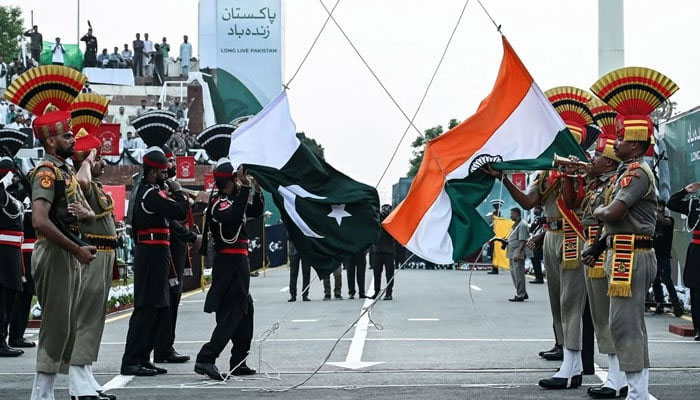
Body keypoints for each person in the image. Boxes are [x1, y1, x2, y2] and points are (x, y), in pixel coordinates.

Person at [483, 87, 596, 385]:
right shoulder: (546, 173)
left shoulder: (584, 170)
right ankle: (566, 356)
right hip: (552, 236)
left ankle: (574, 367)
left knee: (572, 302)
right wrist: (505, 178)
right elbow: (529, 202)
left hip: (573, 236)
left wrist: (572, 171)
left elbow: (578, 202)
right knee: (557, 301)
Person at [586, 66, 678, 398]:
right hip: (621, 248)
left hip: (632, 252)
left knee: (627, 325)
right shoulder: (628, 171)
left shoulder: (636, 173)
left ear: (636, 146)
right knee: (622, 323)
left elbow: (612, 212)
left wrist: (598, 212)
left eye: (622, 138)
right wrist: (598, 247)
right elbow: (614, 221)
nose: (617, 143)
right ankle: (633, 388)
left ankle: (639, 392)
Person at [27, 104, 98, 399]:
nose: (72, 140)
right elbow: (39, 220)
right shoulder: (46, 172)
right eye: (66, 136)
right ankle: (40, 395)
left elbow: (74, 212)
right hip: (55, 252)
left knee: (67, 326)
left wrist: (84, 216)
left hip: (67, 252)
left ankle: (55, 391)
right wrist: (77, 248)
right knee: (56, 325)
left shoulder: (64, 170)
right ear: (51, 141)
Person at [193, 126, 263, 380]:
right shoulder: (219, 203)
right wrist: (244, 190)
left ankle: (238, 360)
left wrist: (256, 187)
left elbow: (253, 212)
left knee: (246, 311)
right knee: (234, 313)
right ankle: (206, 357)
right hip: (230, 262)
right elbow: (233, 217)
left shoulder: (235, 199)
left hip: (238, 262)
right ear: (228, 181)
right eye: (236, 179)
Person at [564, 120, 627, 398]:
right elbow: (572, 205)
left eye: (600, 156)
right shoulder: (596, 185)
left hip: (603, 250)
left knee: (608, 316)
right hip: (593, 249)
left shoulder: (613, 184)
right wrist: (569, 175)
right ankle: (616, 376)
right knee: (602, 316)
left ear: (610, 163)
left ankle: (618, 377)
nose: (594, 158)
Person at [120, 146, 188, 376]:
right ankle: (131, 359)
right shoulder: (149, 193)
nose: (166, 177)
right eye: (162, 173)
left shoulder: (150, 190)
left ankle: (143, 356)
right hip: (150, 253)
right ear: (151, 173)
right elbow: (179, 211)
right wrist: (178, 191)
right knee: (147, 307)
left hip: (158, 252)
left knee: (159, 306)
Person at [71, 129, 119, 399]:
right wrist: (87, 161)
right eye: (98, 159)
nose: (102, 163)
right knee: (85, 318)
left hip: (105, 255)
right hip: (93, 255)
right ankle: (78, 384)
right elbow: (81, 181)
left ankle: (85, 375)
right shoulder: (83, 180)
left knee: (95, 319)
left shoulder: (98, 187)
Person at [154, 146, 200, 364]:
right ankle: (162, 347)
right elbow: (172, 219)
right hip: (167, 247)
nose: (172, 166)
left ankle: (166, 345)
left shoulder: (170, 187)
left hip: (176, 247)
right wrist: (190, 236)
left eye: (173, 161)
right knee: (167, 298)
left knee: (174, 297)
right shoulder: (161, 190)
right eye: (168, 162)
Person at [667, 182, 700, 340]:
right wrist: (685, 191)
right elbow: (672, 203)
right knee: (696, 290)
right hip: (697, 251)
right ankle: (699, 327)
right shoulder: (695, 203)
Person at [7, 173, 36, 350]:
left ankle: (18, 334)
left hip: (30, 250)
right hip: (19, 249)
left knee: (26, 295)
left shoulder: (30, 194)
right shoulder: (11, 195)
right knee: (18, 295)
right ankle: (14, 335)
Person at [0, 157, 24, 358]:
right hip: (3, 253)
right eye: (11, 173)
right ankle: (1, 340)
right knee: (2, 297)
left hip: (12, 252)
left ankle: (4, 337)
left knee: (10, 295)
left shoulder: (9, 195)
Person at [652, 201, 683, 317]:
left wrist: (654, 212)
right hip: (654, 255)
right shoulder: (653, 221)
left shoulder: (669, 220)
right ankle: (659, 304)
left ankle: (676, 306)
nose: (658, 208)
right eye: (657, 206)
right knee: (655, 281)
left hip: (664, 256)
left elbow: (663, 220)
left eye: (660, 206)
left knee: (667, 280)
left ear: (664, 208)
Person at [371, 204, 396, 300]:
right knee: (376, 273)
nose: (385, 210)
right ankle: (376, 291)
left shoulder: (392, 219)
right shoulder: (378, 218)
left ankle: (389, 293)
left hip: (389, 251)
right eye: (384, 209)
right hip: (378, 250)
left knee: (389, 273)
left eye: (387, 209)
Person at [506, 207, 529, 302]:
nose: (511, 216)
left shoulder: (522, 225)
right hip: (511, 253)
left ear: (516, 214)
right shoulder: (516, 225)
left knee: (518, 275)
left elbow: (522, 240)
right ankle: (522, 292)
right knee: (514, 274)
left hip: (517, 253)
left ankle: (521, 294)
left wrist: (518, 251)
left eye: (512, 214)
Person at [528, 205, 545, 283]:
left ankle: (539, 277)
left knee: (535, 258)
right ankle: (538, 277)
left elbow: (533, 228)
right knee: (534, 258)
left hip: (542, 241)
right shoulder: (537, 218)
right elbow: (531, 229)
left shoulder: (541, 218)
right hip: (538, 240)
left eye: (536, 209)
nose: (535, 211)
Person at [487, 199, 503, 274]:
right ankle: (494, 268)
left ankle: (495, 269)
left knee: (494, 253)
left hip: (495, 239)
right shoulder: (493, 223)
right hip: (493, 238)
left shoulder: (497, 223)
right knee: (493, 253)